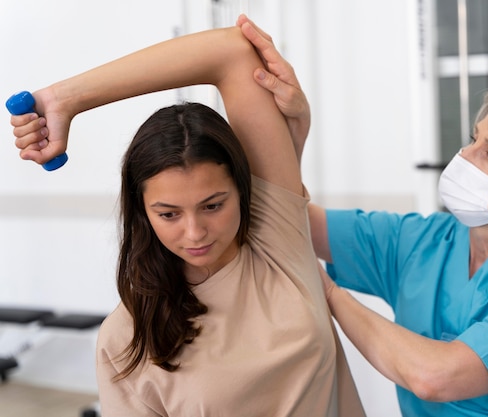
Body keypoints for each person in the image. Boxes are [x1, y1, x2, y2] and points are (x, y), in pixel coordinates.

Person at [236, 16, 488, 417]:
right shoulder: (424, 241)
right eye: (474, 139)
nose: (464, 157)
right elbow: (294, 219)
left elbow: (435, 377)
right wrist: (296, 133)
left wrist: (331, 295)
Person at [9, 23, 365, 417]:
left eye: (213, 205)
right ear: (142, 211)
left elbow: (229, 50)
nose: (195, 233)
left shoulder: (277, 242)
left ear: (242, 191)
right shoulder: (127, 338)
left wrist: (63, 99)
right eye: (168, 214)